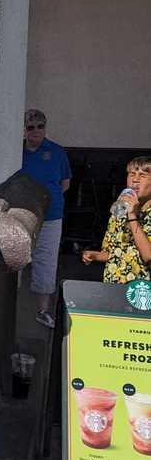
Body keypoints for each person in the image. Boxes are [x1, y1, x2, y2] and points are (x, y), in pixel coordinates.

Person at [21, 108, 71, 329]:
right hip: (21, 214)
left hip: (50, 216)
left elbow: (65, 183)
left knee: (46, 262)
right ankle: (10, 308)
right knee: (17, 258)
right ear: (23, 130)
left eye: (41, 126)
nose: (36, 131)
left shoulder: (57, 152)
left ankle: (43, 310)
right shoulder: (16, 150)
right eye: (31, 127)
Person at [82, 155, 151, 283]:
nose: (135, 179)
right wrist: (96, 256)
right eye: (131, 174)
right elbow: (114, 252)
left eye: (142, 176)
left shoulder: (134, 213)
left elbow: (148, 256)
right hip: (114, 288)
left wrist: (132, 215)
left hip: (142, 292)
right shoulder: (119, 210)